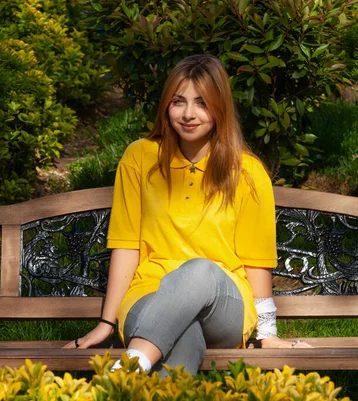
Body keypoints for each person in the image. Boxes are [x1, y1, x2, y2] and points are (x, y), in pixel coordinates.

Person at [63, 54, 311, 376]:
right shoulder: (140, 157)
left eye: (202, 103)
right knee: (184, 336)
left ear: (220, 108)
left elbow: (256, 259)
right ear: (166, 105)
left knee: (199, 271)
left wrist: (268, 333)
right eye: (179, 102)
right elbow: (126, 245)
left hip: (223, 302)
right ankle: (140, 378)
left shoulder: (247, 171)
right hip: (148, 295)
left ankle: (127, 371)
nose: (189, 114)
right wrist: (106, 323)